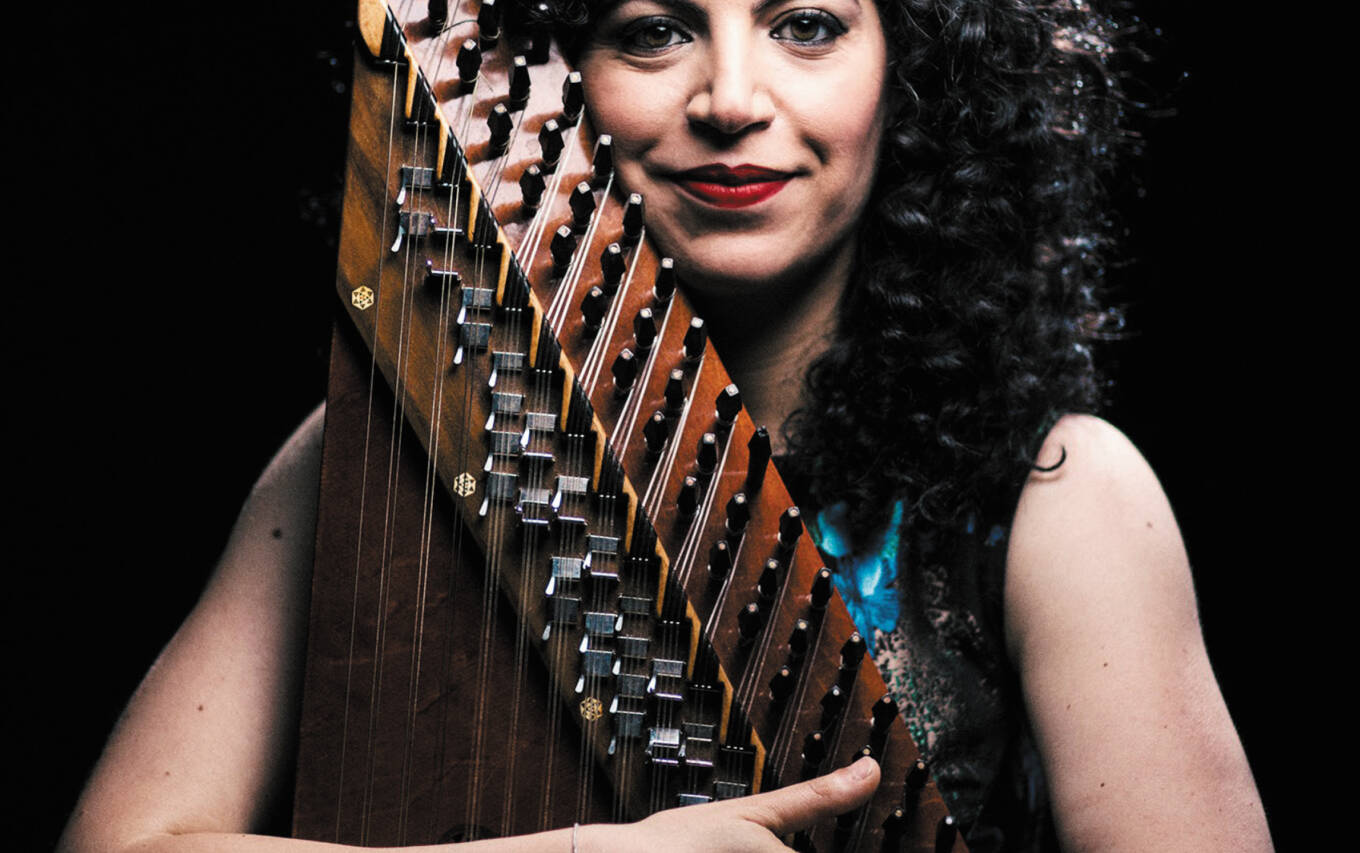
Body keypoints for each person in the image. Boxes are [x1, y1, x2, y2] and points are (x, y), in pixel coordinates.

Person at [59, 0, 1273, 851]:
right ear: (550, 77)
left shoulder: (1056, 494)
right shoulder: (377, 448)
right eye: (651, 31)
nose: (732, 100)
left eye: (807, 25)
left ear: (912, 78)